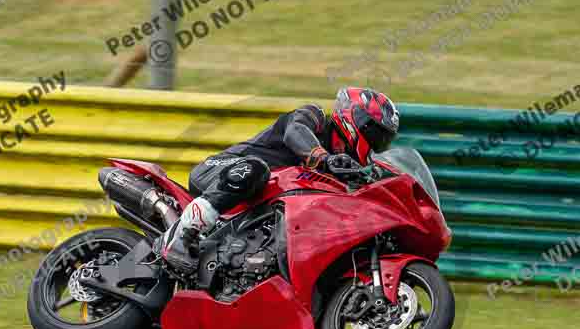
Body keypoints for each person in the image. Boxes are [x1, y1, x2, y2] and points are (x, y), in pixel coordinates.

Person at [161, 87, 400, 274]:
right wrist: (323, 158)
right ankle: (181, 236)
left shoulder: (344, 170)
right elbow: (294, 131)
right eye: (376, 133)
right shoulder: (315, 117)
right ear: (356, 120)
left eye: (384, 140)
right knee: (257, 168)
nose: (377, 143)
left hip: (254, 210)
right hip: (221, 171)